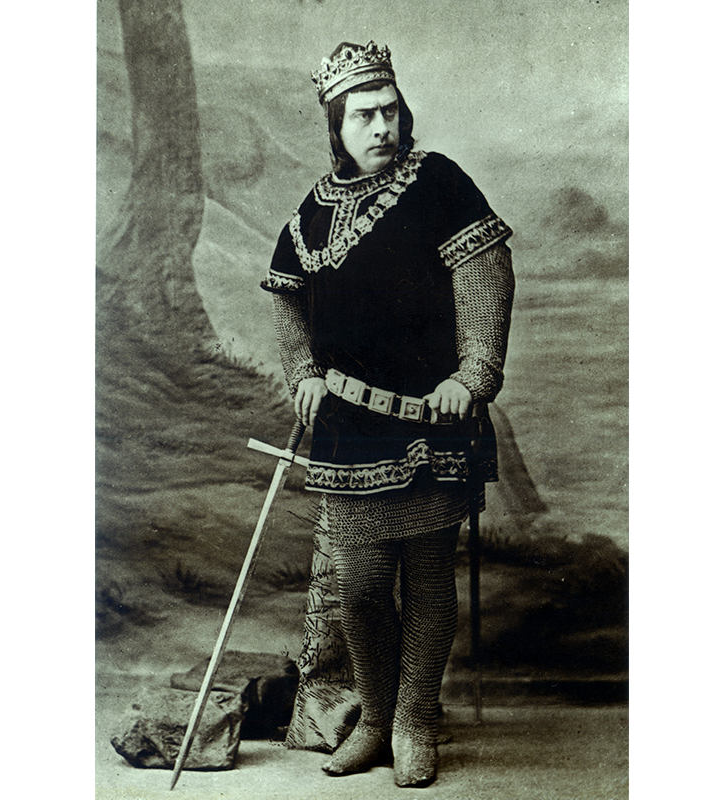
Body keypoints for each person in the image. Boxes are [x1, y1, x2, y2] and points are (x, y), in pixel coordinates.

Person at [261, 40, 514, 789]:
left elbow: (486, 271)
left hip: (432, 423)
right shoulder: (313, 212)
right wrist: (303, 372)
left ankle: (414, 722)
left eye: (390, 111)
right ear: (335, 127)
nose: (381, 127)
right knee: (362, 586)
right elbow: (285, 295)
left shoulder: (438, 182)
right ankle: (375, 720)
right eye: (363, 115)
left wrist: (473, 375)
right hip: (348, 427)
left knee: (427, 581)